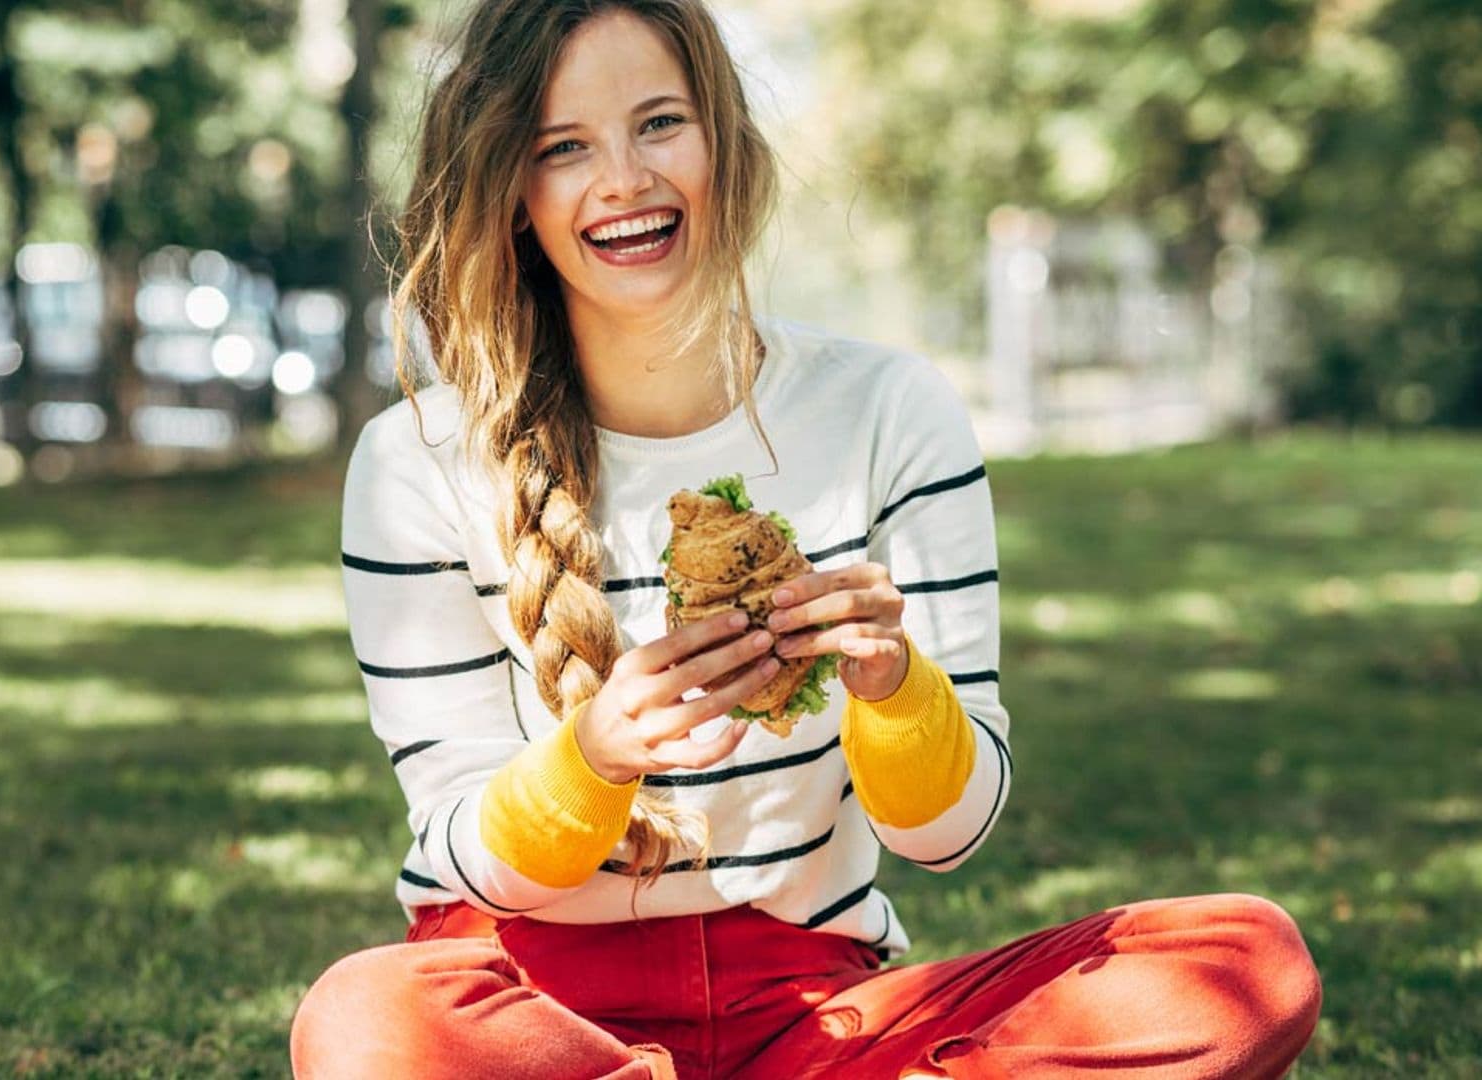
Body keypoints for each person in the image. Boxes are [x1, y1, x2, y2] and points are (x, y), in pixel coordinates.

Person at [291, 1, 1323, 1076]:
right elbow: (465, 847)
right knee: (366, 1016)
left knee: (1240, 960)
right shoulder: (419, 458)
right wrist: (594, 758)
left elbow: (947, 835)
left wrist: (893, 685)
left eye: (659, 124)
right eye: (563, 147)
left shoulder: (890, 409)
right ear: (512, 190)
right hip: (529, 1009)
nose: (625, 180)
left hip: (815, 1017)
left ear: (724, 141)